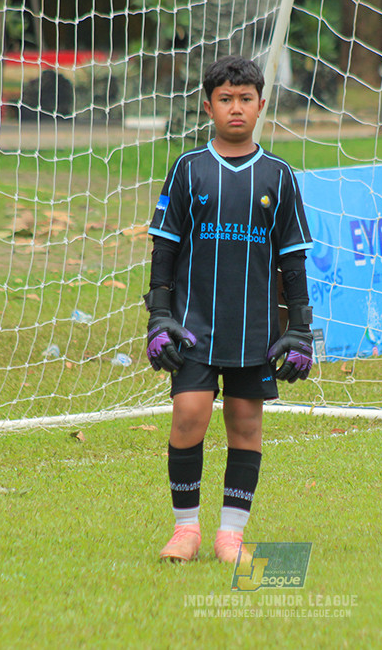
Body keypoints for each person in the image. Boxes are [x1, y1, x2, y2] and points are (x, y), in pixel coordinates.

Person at [145, 55, 314, 564]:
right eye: (225, 99)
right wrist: (158, 316)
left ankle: (231, 536)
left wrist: (301, 329)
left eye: (245, 99)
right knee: (188, 414)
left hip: (255, 330)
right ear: (208, 106)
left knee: (245, 425)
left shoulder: (278, 176)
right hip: (195, 324)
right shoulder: (188, 169)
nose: (235, 108)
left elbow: (292, 260)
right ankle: (186, 529)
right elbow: (166, 250)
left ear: (261, 105)